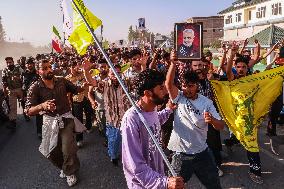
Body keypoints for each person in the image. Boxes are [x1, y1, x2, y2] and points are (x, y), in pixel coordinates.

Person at [165, 51, 224, 189]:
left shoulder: (207, 103)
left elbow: (220, 126)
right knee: (174, 186)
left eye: (191, 86)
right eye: (184, 86)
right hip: (180, 154)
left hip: (202, 152)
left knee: (214, 184)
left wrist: (212, 121)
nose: (187, 89)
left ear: (197, 85)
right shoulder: (179, 97)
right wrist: (173, 64)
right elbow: (168, 84)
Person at [25, 59, 86, 187]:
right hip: (49, 122)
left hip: (66, 119)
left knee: (67, 148)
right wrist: (42, 106)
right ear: (38, 71)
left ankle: (70, 172)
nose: (48, 70)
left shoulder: (61, 81)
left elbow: (76, 89)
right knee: (50, 152)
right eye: (44, 68)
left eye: (49, 67)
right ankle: (65, 167)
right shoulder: (35, 87)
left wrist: (86, 78)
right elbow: (28, 111)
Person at [121, 69, 184, 189]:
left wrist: (168, 110)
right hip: (143, 184)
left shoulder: (152, 108)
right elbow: (136, 166)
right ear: (148, 93)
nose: (166, 91)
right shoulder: (131, 120)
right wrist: (165, 183)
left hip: (157, 176)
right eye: (161, 88)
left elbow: (155, 122)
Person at [84, 60, 130, 166]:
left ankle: (127, 160)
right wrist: (86, 71)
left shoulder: (126, 83)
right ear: (109, 74)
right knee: (113, 142)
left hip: (126, 120)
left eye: (118, 73)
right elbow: (92, 82)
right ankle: (113, 156)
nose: (115, 75)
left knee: (127, 143)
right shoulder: (104, 85)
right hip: (112, 121)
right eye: (113, 73)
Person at [66, 61, 93, 148]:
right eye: (74, 67)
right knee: (78, 120)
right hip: (76, 100)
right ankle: (79, 139)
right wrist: (69, 102)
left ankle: (88, 126)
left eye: (77, 66)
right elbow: (68, 92)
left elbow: (90, 79)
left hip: (86, 97)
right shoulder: (67, 79)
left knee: (89, 113)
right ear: (70, 68)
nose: (76, 68)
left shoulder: (83, 74)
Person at [1, 57, 23, 130]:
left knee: (24, 102)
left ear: (13, 62)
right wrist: (5, 90)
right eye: (7, 63)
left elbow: (24, 77)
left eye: (10, 62)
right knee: (12, 107)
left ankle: (26, 114)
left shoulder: (18, 68)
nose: (8, 64)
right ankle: (13, 122)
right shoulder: (5, 70)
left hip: (20, 89)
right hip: (11, 90)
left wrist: (18, 78)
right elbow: (4, 81)